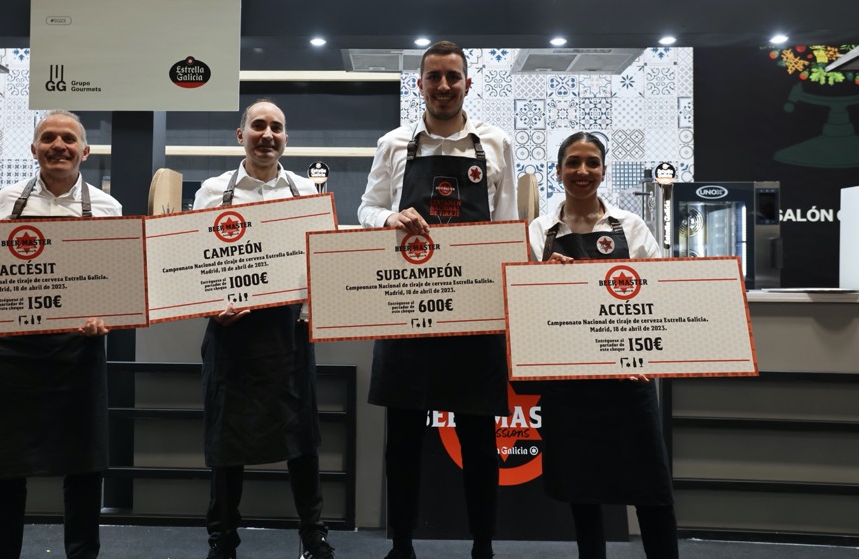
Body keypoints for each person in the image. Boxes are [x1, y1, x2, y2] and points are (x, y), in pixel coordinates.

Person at [357, 40, 516, 559]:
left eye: (453, 77)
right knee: (402, 438)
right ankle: (401, 545)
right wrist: (389, 218)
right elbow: (366, 209)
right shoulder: (394, 144)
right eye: (434, 77)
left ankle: (483, 547)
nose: (444, 86)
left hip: (473, 310)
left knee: (478, 439)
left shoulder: (495, 145)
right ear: (419, 84)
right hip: (406, 305)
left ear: (468, 83)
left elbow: (508, 226)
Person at [0, 110, 121, 559]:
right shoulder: (6, 202)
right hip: (14, 353)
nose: (59, 145)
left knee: (83, 472)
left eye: (69, 138)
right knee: (4, 472)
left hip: (79, 352)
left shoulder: (107, 208)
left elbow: (114, 281)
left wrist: (104, 313)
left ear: (85, 151)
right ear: (34, 149)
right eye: (49, 137)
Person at [193, 99, 334, 559]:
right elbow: (196, 264)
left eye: (277, 127)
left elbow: (318, 265)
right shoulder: (213, 193)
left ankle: (313, 536)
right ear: (240, 135)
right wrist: (212, 306)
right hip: (230, 334)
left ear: (286, 139)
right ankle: (222, 539)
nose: (267, 134)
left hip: (288, 333)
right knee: (225, 441)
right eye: (258, 126)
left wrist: (311, 317)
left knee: (302, 441)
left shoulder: (306, 194)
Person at [529, 131, 679, 559]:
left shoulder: (630, 226)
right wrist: (544, 275)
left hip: (627, 378)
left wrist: (651, 357)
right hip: (570, 382)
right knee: (583, 491)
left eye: (591, 162)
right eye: (573, 163)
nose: (582, 171)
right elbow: (527, 308)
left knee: (652, 488)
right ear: (558, 171)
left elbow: (659, 293)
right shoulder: (540, 231)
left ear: (603, 170)